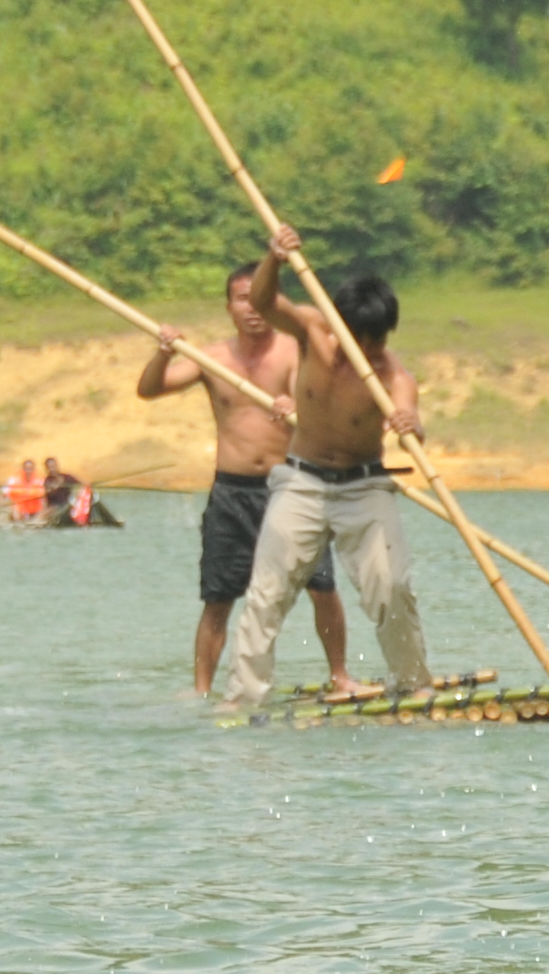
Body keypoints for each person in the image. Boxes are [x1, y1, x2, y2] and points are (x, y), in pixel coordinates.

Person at [214, 226, 430, 709]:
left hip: (364, 487)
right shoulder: (313, 331)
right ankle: (244, 698)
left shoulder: (393, 374)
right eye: (362, 341)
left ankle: (413, 684)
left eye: (378, 342)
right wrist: (275, 258)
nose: (369, 352)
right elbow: (267, 303)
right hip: (302, 482)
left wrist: (408, 422)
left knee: (391, 587)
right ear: (343, 327)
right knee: (266, 594)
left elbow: (410, 419)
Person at [141, 260, 347, 697]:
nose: (252, 308)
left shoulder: (294, 352)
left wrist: (296, 403)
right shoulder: (210, 358)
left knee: (321, 586)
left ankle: (340, 676)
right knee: (219, 598)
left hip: (291, 487)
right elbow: (150, 389)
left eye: (259, 299)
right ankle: (201, 689)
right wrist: (164, 351)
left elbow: (319, 405)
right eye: (241, 299)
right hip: (231, 493)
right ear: (229, 307)